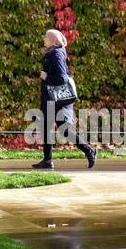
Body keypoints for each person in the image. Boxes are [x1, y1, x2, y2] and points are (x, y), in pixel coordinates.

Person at [32, 29, 96, 169]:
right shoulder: (52, 53)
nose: (44, 38)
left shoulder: (56, 54)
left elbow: (62, 78)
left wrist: (46, 77)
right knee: (46, 128)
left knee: (64, 129)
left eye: (46, 36)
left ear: (53, 40)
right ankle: (48, 161)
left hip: (57, 101)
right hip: (50, 99)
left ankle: (89, 150)